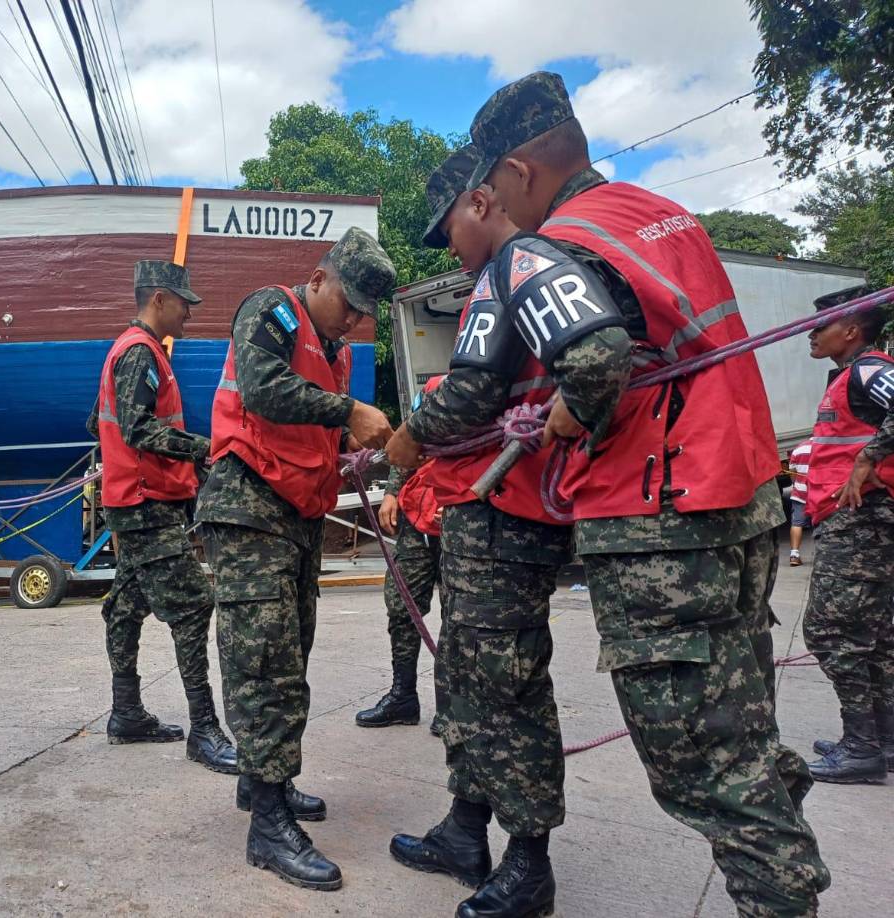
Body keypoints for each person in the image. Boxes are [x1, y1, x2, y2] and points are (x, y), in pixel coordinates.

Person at [462, 72, 829, 917]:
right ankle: (775, 828)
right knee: (739, 722)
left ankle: (777, 884)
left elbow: (594, 361)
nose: (498, 207)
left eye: (495, 186)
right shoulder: (662, 216)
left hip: (661, 521)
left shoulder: (546, 244)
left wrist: (570, 413)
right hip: (741, 500)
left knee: (696, 759)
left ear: (518, 171)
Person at [386, 145, 573, 918]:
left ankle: (528, 864)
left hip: (508, 515)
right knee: (466, 675)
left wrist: (409, 434)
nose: (449, 250)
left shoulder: (511, 269)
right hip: (485, 511)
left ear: (480, 203)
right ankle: (465, 830)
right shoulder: (507, 273)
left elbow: (468, 393)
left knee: (508, 690)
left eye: (448, 230)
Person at [197, 226, 395, 891]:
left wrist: (344, 451)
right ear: (319, 280)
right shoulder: (273, 310)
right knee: (264, 664)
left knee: (291, 654)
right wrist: (349, 413)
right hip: (249, 507)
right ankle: (269, 824)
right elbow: (262, 391)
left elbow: (302, 429)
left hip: (295, 517)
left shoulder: (332, 353)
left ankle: (265, 785)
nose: (356, 318)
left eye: (366, 311)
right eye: (351, 302)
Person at [87, 260, 236, 774]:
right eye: (183, 303)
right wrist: (201, 448)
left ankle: (126, 713)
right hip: (146, 504)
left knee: (124, 608)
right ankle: (205, 729)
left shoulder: (129, 351)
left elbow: (98, 421)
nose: (188, 313)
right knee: (194, 605)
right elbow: (135, 428)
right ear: (158, 300)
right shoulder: (140, 353)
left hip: (135, 499)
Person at [801, 285, 894, 783]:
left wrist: (868, 457)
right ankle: (882, 739)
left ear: (851, 330)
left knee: (831, 631)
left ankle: (861, 748)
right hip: (861, 521)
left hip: (860, 520)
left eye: (821, 326)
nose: (811, 335)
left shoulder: (869, 370)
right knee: (873, 636)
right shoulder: (851, 376)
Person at [357, 376, 448, 734]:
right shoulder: (432, 391)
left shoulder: (484, 394)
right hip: (417, 520)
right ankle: (403, 696)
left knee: (460, 617)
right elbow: (407, 439)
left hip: (459, 520)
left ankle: (452, 705)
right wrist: (393, 491)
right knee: (402, 605)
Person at [788, 439, 812, 566]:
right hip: (819, 493)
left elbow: (793, 473)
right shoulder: (823, 446)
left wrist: (796, 484)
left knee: (797, 523)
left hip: (800, 493)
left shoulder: (798, 449)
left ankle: (794, 555)